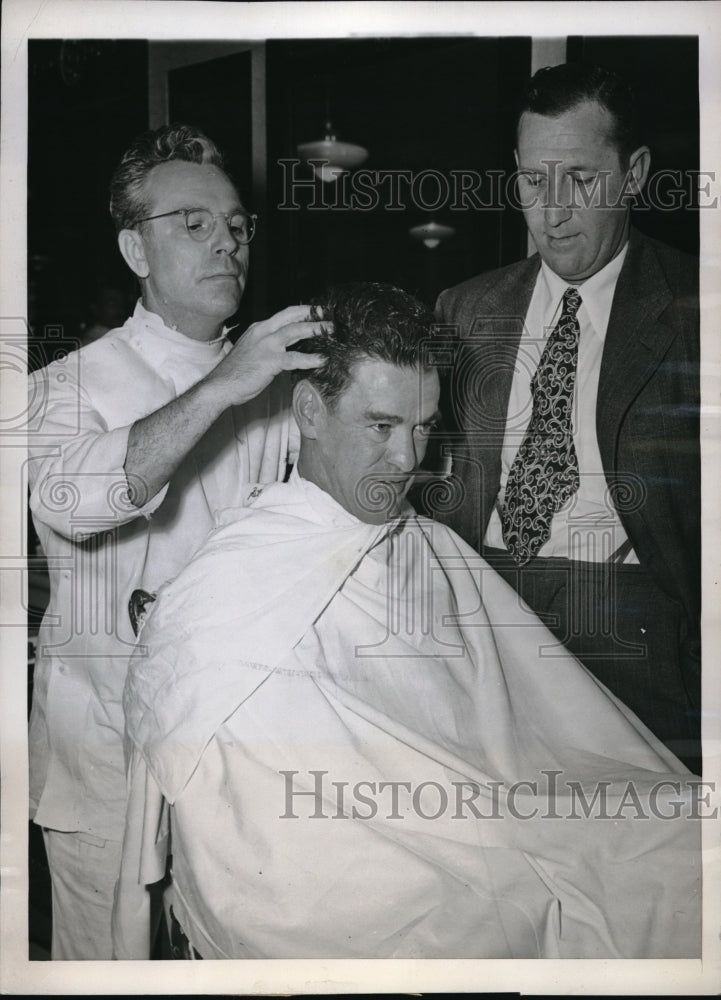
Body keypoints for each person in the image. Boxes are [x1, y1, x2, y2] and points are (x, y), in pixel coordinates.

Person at [114, 282, 699, 961]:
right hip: (353, 878)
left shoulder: (428, 545)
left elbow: (533, 730)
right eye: (381, 425)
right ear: (308, 411)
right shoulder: (229, 589)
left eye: (423, 426)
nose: (407, 458)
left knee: (676, 839)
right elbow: (256, 851)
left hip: (490, 820)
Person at [27, 123, 325, 960]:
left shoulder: (278, 390)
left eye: (236, 224)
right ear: (135, 248)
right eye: (192, 223)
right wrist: (223, 387)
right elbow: (81, 501)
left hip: (236, 756)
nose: (225, 241)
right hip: (104, 764)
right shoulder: (60, 388)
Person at [434, 63, 700, 770]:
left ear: (634, 172)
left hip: (628, 622)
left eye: (579, 181)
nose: (549, 214)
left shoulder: (696, 310)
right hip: (479, 610)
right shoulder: (464, 309)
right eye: (530, 181)